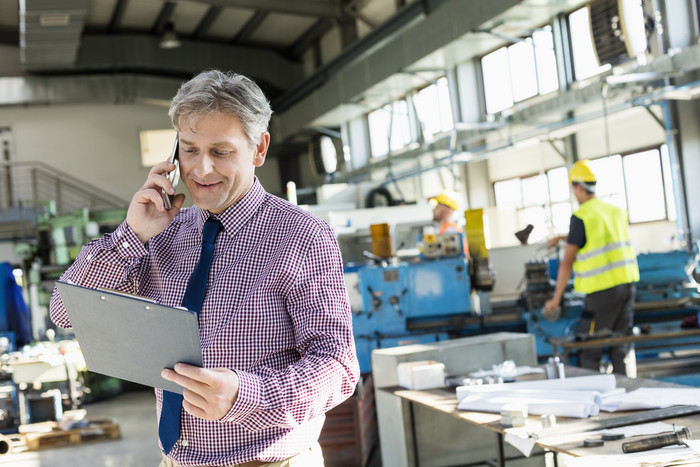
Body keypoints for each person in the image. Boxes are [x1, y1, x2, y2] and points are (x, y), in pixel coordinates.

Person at [49, 69, 360, 467]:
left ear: (259, 149)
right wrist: (132, 235)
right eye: (190, 149)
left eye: (221, 151)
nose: (202, 169)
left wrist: (243, 395)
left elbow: (337, 365)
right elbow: (65, 312)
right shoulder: (160, 233)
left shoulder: (302, 236)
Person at [544, 159, 639, 376]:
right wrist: (562, 237)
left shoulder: (581, 216)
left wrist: (555, 299)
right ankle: (627, 392)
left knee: (590, 346)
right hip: (627, 285)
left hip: (602, 291)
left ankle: (592, 398)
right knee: (620, 343)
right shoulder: (614, 211)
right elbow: (599, 238)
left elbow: (567, 263)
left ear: (578, 187)